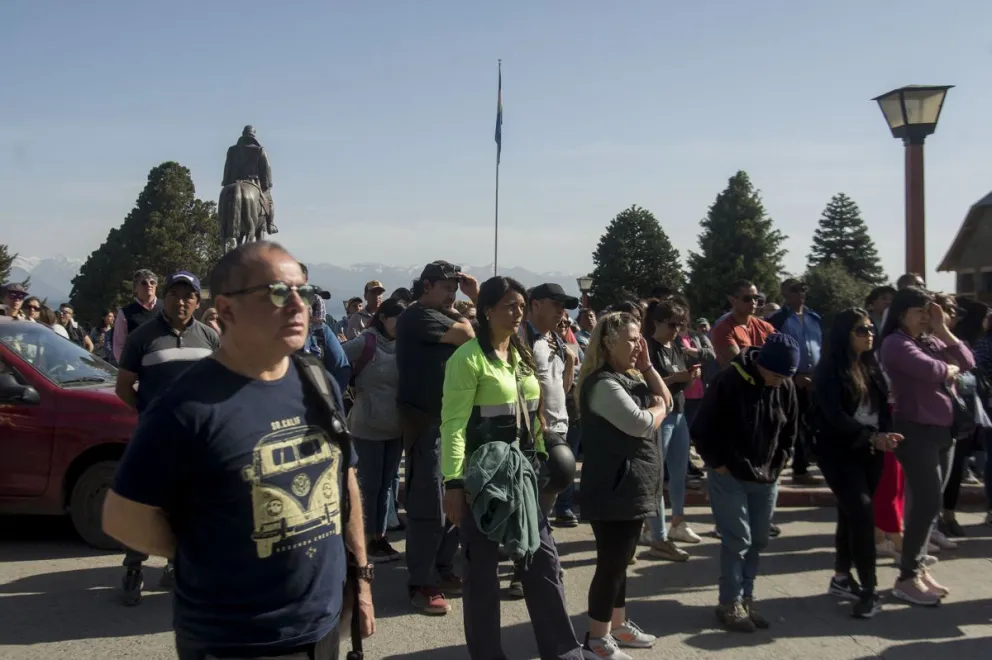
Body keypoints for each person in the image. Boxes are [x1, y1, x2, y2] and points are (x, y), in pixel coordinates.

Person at [102, 242, 375, 658]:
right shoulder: (185, 407)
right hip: (235, 641)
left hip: (322, 627)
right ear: (227, 311)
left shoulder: (317, 382)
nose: (299, 305)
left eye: (305, 292)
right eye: (279, 293)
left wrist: (361, 577)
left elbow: (346, 480)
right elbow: (123, 517)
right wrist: (207, 549)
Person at [440, 276, 582, 660]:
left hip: (522, 476)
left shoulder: (520, 357)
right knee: (482, 575)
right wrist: (453, 483)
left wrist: (540, 458)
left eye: (521, 304)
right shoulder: (466, 359)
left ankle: (564, 651)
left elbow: (534, 417)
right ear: (487, 310)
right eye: (509, 305)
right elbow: (453, 425)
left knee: (544, 563)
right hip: (482, 482)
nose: (518, 311)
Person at [114, 271, 220, 605]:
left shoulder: (209, 338)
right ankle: (133, 568)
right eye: (174, 293)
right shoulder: (143, 337)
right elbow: (123, 387)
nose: (181, 300)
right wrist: (149, 415)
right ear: (165, 297)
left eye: (189, 295)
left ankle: (176, 565)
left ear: (198, 301)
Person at [576, 311, 669, 659]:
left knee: (621, 561)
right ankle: (596, 640)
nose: (638, 345)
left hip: (630, 485)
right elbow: (641, 423)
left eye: (639, 338)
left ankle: (617, 625)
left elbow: (667, 402)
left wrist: (648, 367)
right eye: (631, 340)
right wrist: (657, 410)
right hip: (614, 487)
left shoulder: (628, 376)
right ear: (607, 343)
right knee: (611, 564)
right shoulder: (603, 384)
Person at [692, 334, 800, 633]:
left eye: (786, 376)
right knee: (738, 539)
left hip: (767, 476)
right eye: (776, 374)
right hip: (730, 475)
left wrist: (781, 462)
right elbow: (701, 429)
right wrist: (719, 464)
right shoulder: (729, 381)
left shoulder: (785, 385)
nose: (780, 381)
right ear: (762, 364)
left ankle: (747, 598)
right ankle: (730, 603)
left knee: (759, 538)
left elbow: (790, 429)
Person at [879, 287, 975, 606]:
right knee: (927, 501)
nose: (925, 317)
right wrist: (949, 370)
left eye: (927, 311)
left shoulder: (929, 339)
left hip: (942, 431)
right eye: (919, 312)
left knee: (930, 505)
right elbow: (931, 371)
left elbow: (967, 360)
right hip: (914, 430)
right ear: (902, 313)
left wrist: (942, 328)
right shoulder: (895, 342)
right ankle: (906, 576)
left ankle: (917, 568)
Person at [395, 260, 477, 614]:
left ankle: (443, 567)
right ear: (426, 286)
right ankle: (422, 582)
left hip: (453, 424)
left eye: (456, 287)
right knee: (429, 508)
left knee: (459, 502)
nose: (453, 293)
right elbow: (468, 335)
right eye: (446, 286)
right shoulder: (415, 317)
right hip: (427, 426)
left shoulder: (446, 315)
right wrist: (462, 319)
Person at [812, 308, 901, 619]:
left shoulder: (871, 365)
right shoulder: (829, 370)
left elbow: (884, 407)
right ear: (844, 334)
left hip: (872, 452)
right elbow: (835, 416)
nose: (869, 335)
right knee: (862, 511)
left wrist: (887, 434)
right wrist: (870, 436)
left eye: (870, 329)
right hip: (839, 451)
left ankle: (840, 577)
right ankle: (869, 589)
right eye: (861, 330)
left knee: (850, 513)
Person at [342, 297, 407, 563]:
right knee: (369, 486)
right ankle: (363, 541)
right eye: (398, 320)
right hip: (367, 426)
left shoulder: (404, 345)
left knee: (385, 486)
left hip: (396, 426)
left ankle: (379, 539)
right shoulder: (366, 341)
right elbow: (337, 361)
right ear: (383, 318)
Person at [641, 299, 700, 562]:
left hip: (678, 414)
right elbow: (644, 383)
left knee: (678, 472)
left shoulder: (674, 347)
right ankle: (656, 535)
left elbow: (677, 383)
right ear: (656, 322)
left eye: (680, 324)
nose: (676, 329)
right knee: (656, 475)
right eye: (671, 324)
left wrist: (688, 379)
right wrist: (674, 379)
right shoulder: (647, 347)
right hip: (660, 417)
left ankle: (677, 522)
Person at [768, 278, 824, 486]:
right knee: (792, 424)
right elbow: (774, 349)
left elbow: (821, 346)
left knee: (812, 424)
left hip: (814, 379)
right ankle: (796, 468)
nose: (800, 293)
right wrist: (792, 376)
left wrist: (816, 375)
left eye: (803, 288)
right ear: (785, 293)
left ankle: (807, 463)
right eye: (795, 290)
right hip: (791, 379)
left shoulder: (814, 318)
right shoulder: (778, 319)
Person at [711, 280, 775, 367]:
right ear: (733, 300)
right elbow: (741, 364)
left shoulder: (766, 327)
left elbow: (779, 353)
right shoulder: (723, 330)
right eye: (747, 299)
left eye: (756, 298)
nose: (753, 302)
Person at [113, 269, 163, 363]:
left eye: (152, 282)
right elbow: (119, 346)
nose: (149, 285)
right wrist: (129, 369)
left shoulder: (167, 308)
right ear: (135, 288)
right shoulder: (125, 313)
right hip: (139, 371)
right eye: (144, 283)